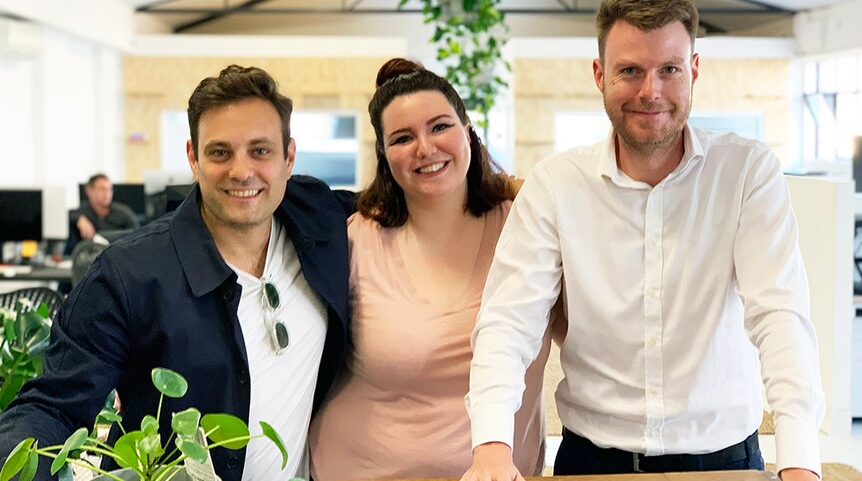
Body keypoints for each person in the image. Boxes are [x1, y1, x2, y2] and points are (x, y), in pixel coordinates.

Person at [462, 0, 825, 480]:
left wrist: (800, 461)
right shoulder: (556, 185)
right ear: (599, 74)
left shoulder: (746, 172)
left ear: (694, 70)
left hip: (724, 462)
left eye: (669, 69)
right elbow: (509, 323)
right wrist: (490, 444)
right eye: (630, 70)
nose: (650, 91)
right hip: (591, 464)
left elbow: (780, 314)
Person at [0, 65, 352, 480]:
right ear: (193, 158)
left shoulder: (321, 220)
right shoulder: (129, 273)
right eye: (220, 152)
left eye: (261, 151)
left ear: (289, 157)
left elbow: (409, 202)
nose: (242, 171)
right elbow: (52, 406)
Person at [308, 58, 556, 480]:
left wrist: (522, 187)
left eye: (440, 126)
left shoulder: (527, 227)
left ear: (468, 132)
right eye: (403, 138)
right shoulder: (354, 241)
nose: (425, 148)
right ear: (384, 157)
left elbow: (586, 216)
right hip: (360, 471)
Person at [76, 173, 140, 240]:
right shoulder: (82, 211)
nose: (107, 193)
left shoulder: (123, 212)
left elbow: (137, 233)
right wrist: (79, 219)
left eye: (109, 189)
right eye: (102, 189)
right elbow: (69, 215)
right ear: (89, 191)